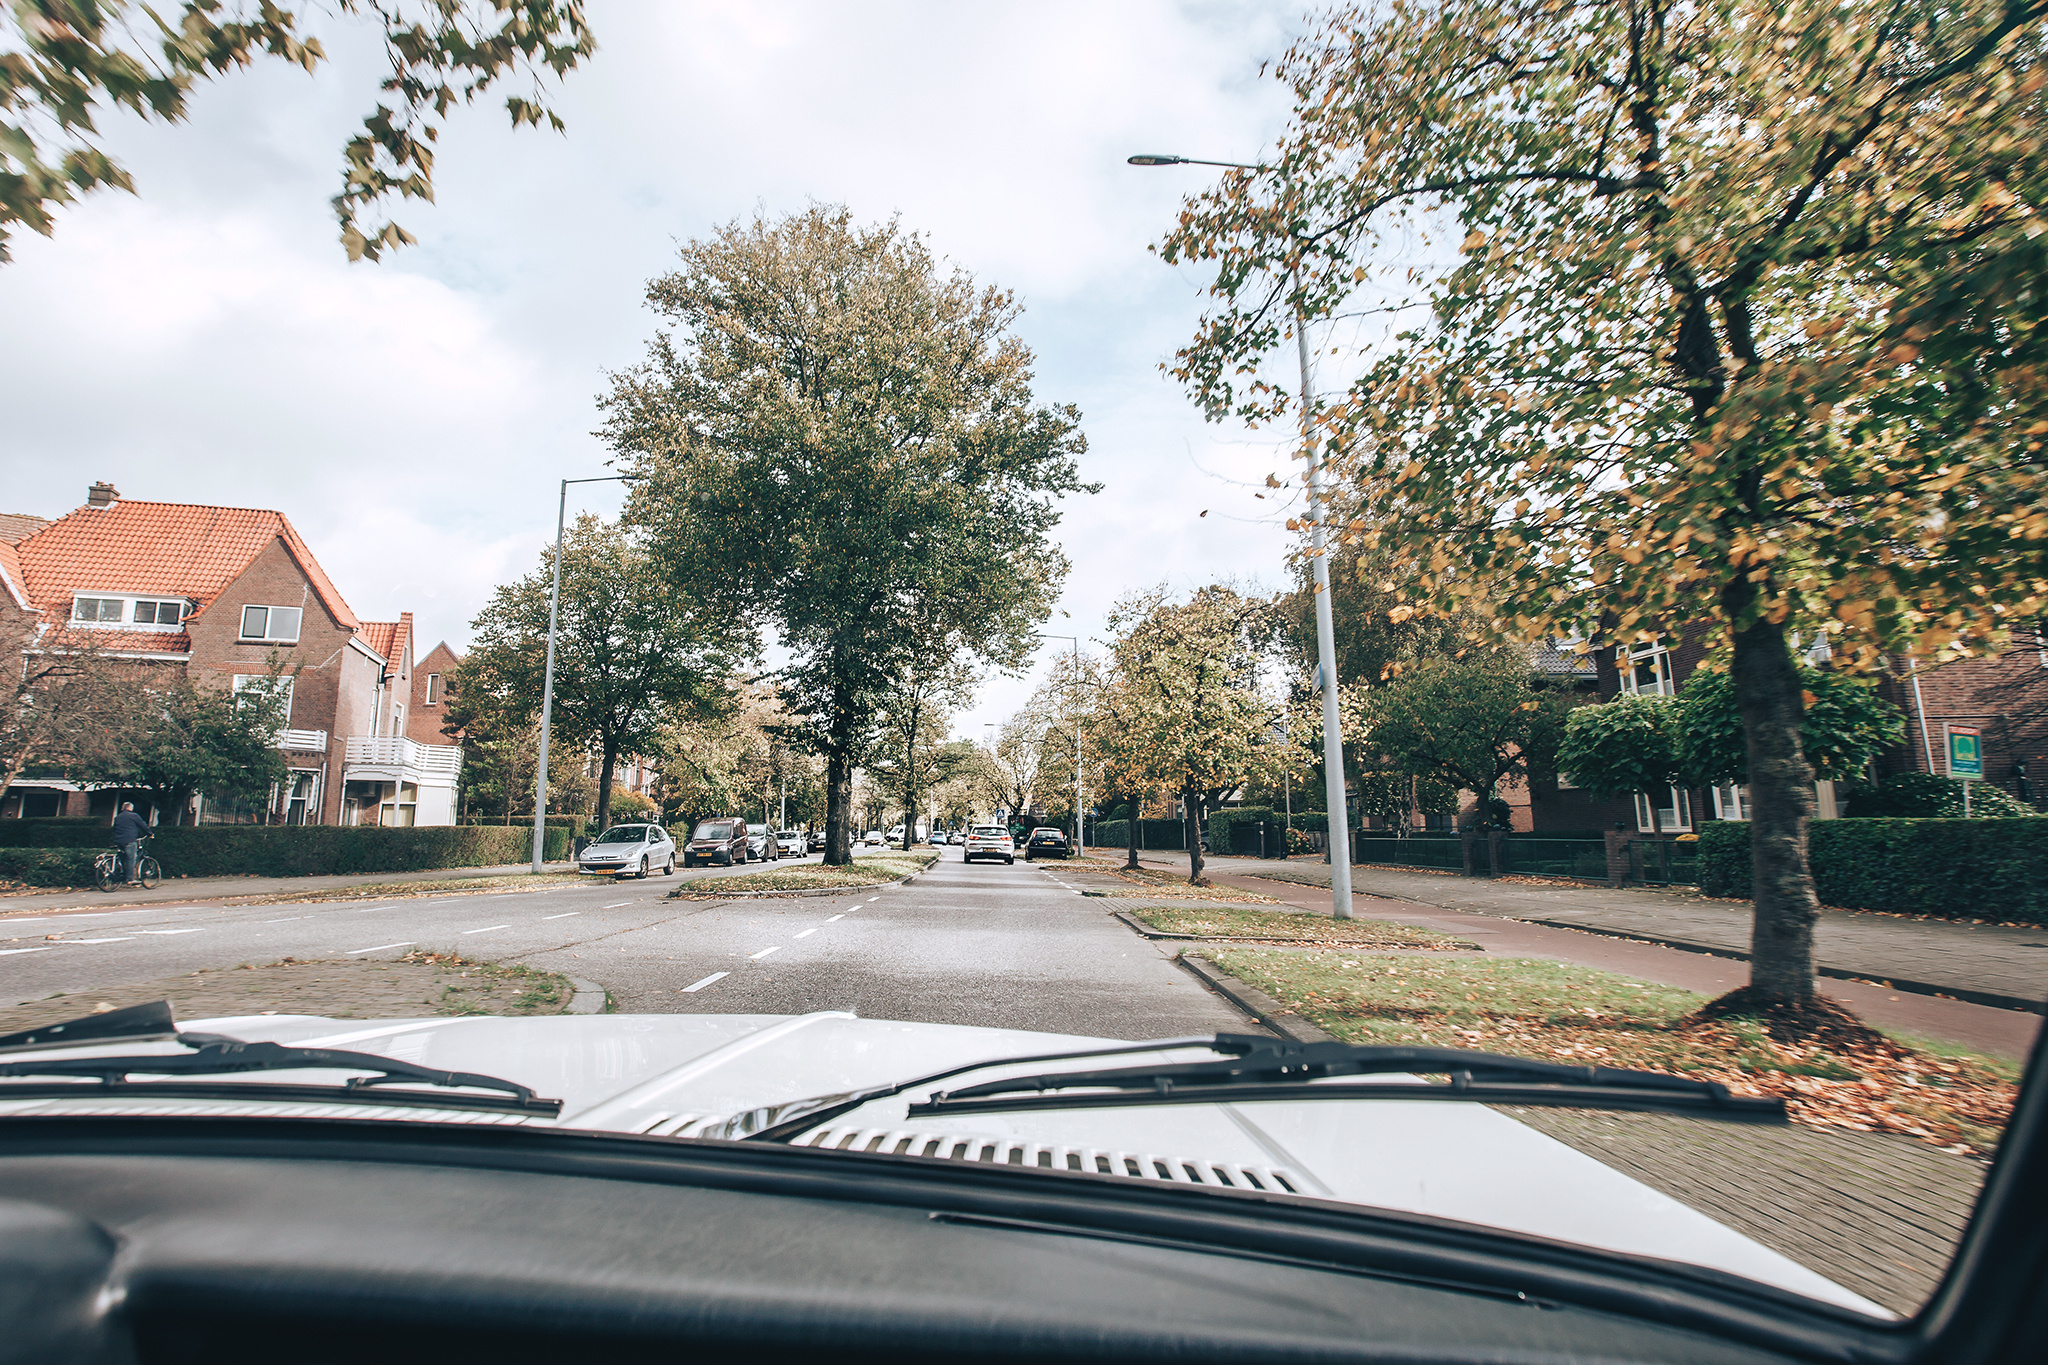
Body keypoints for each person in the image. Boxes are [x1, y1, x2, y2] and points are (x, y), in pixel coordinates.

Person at [110, 801, 150, 886]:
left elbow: (114, 829)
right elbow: (143, 825)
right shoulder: (133, 816)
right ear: (130, 808)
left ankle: (120, 874)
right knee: (131, 859)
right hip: (129, 840)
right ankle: (130, 879)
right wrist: (150, 833)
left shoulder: (118, 817)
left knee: (123, 858)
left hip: (119, 841)